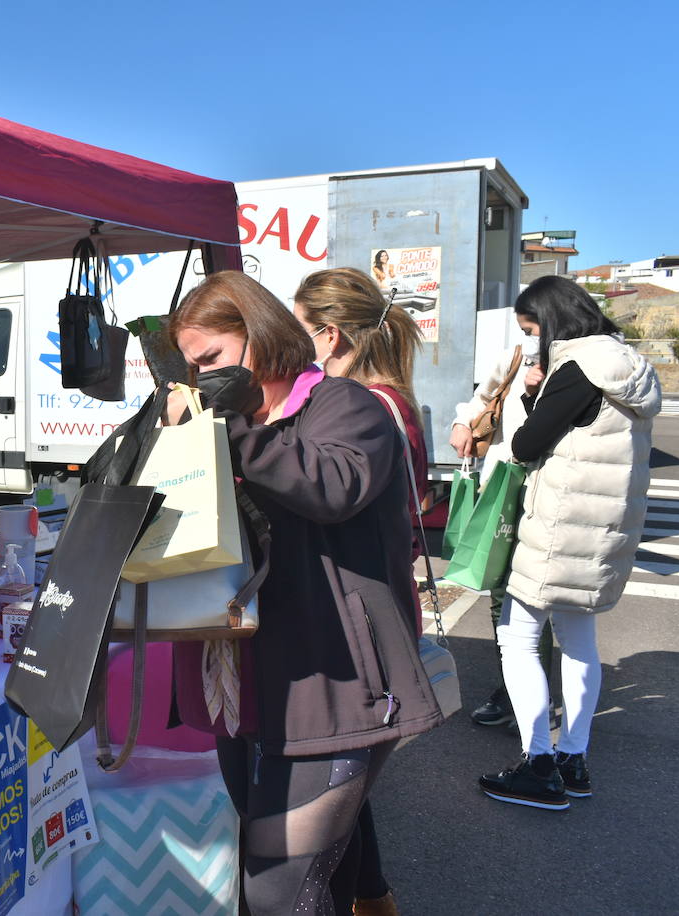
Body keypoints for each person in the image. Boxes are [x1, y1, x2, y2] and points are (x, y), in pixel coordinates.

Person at [168, 271, 442, 915]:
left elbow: (330, 485)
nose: (203, 375)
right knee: (314, 880)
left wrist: (223, 430)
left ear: (259, 339)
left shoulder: (348, 405)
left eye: (212, 358)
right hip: (251, 684)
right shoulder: (247, 421)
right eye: (193, 365)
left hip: (336, 686)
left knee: (276, 889)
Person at [478, 276, 661, 809]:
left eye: (533, 329)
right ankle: (572, 759)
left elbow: (526, 443)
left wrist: (535, 395)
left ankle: (537, 764)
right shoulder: (627, 364)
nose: (533, 341)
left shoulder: (578, 367)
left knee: (517, 636)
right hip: (604, 532)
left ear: (553, 320)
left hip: (559, 529)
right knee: (580, 642)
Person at [291, 267, 426, 916]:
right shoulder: (395, 398)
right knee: (346, 797)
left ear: (329, 333)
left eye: (296, 331)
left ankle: (369, 899)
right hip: (378, 613)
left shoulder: (364, 406)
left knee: (329, 813)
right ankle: (375, 900)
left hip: (364, 631)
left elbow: (333, 507)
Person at [450, 335, 561, 731]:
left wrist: (539, 392)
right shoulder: (517, 355)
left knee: (535, 601)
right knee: (500, 595)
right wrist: (463, 423)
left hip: (549, 497)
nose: (530, 332)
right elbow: (481, 398)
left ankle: (537, 697)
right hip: (501, 489)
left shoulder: (573, 365)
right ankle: (512, 689)